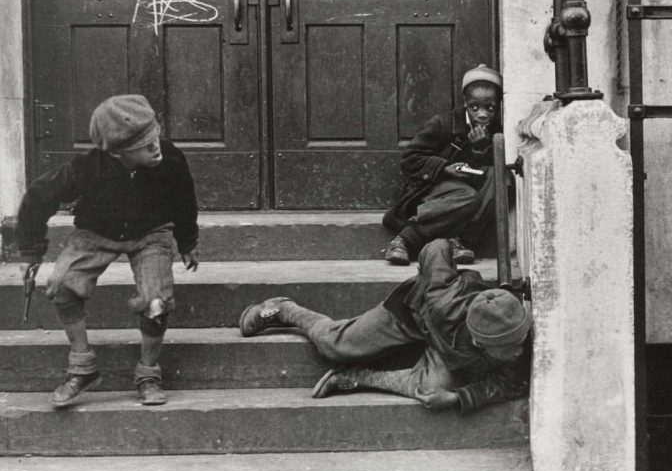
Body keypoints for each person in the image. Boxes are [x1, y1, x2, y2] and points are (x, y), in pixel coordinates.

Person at [16, 94, 199, 407]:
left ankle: (148, 373)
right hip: (97, 232)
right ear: (117, 153)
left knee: (156, 301)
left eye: (155, 136)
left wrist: (187, 241)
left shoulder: (170, 157)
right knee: (62, 285)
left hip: (150, 232)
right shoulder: (88, 168)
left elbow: (185, 198)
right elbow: (37, 196)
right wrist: (32, 252)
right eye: (145, 145)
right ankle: (82, 367)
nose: (156, 147)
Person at [239, 238, 530, 413]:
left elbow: (511, 383)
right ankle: (284, 309)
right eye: (510, 347)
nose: (520, 350)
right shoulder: (444, 301)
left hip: (443, 350)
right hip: (411, 316)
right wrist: (431, 279)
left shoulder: (515, 334)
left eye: (520, 339)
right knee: (334, 345)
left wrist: (458, 398)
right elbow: (436, 247)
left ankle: (358, 378)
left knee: (431, 392)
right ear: (480, 342)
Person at [383, 64, 506, 266]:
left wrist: (480, 150)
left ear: (498, 106)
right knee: (467, 196)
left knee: (499, 175)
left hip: (464, 195)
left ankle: (460, 240)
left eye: (489, 108)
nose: (482, 114)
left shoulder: (496, 131)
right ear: (465, 103)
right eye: (475, 107)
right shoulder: (443, 124)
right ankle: (405, 239)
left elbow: (485, 175)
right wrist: (444, 168)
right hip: (433, 191)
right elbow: (410, 158)